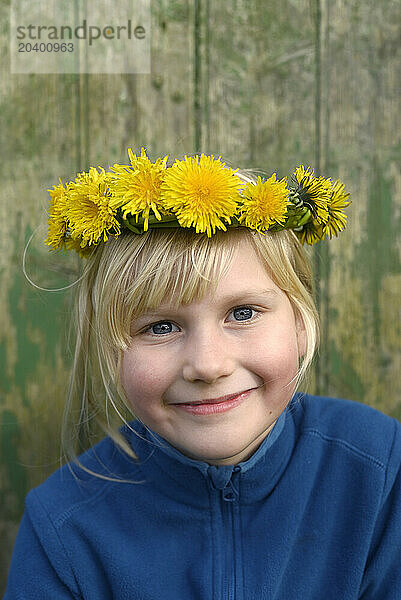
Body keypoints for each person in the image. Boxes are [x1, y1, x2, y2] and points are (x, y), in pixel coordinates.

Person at [4, 150, 401, 599]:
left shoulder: (378, 470)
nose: (209, 366)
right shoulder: (64, 525)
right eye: (161, 327)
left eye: (243, 313)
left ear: (299, 320)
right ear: (111, 349)